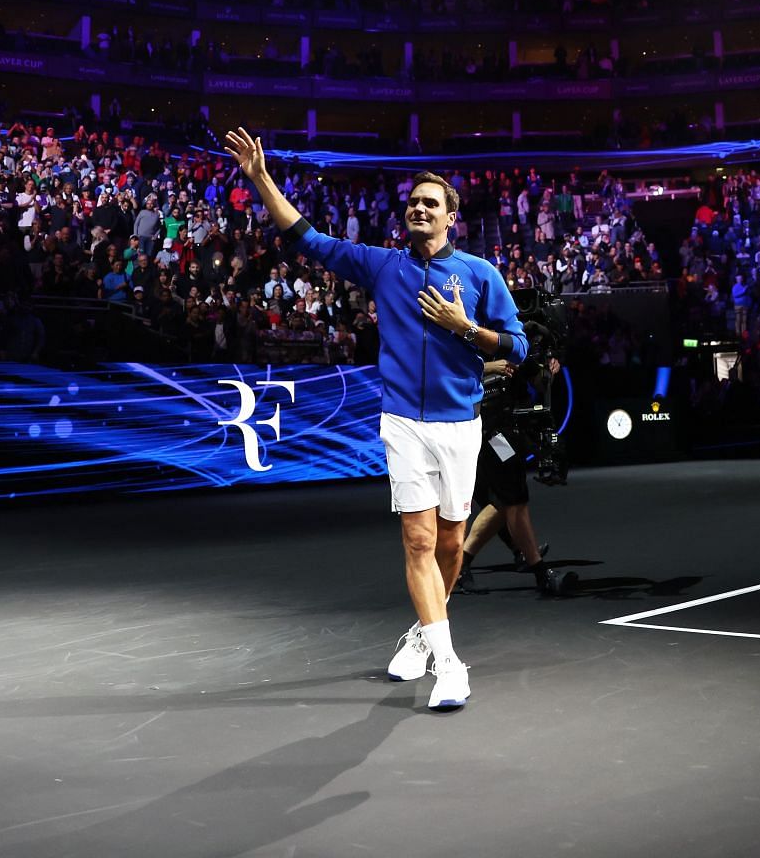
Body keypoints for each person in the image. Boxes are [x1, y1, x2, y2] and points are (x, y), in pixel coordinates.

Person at [224, 127, 526, 710]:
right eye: (412, 202)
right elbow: (306, 237)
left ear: (450, 218)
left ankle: (422, 631)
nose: (417, 207)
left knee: (449, 544)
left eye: (429, 203)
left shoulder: (482, 275)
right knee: (417, 539)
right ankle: (449, 664)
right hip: (402, 423)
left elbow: (518, 349)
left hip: (460, 424)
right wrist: (261, 177)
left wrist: (465, 329)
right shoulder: (382, 265)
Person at [458, 354, 562, 592]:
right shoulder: (467, 333)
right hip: (485, 430)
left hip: (511, 428)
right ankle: (539, 571)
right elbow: (447, 369)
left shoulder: (514, 341)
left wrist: (548, 371)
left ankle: (461, 564)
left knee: (505, 501)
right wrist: (487, 367)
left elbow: (540, 382)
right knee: (512, 498)